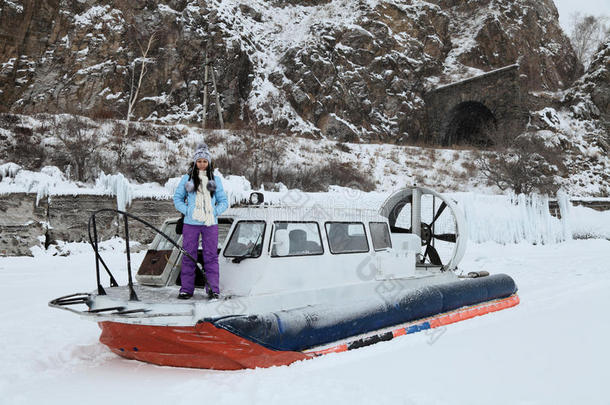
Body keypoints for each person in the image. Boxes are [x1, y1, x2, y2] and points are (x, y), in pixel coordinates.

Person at [173, 143, 228, 299]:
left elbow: (224, 201)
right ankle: (186, 289)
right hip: (191, 224)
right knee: (189, 256)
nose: (202, 164)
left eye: (205, 161)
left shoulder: (215, 180)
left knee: (210, 256)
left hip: (210, 224)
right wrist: (189, 211)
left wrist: (214, 211)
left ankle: (212, 289)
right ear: (195, 162)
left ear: (209, 162)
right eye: (199, 161)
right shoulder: (187, 179)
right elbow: (177, 199)